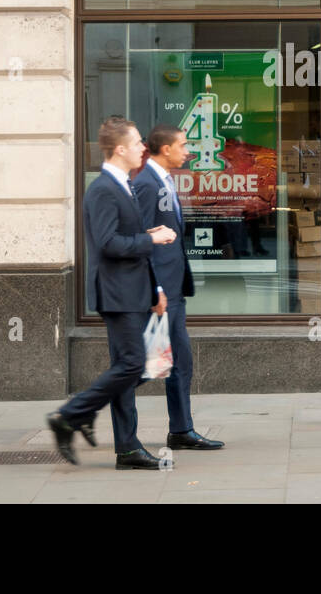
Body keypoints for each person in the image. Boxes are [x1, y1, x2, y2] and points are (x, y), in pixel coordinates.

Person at [47, 117, 177, 469]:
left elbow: (127, 241)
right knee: (132, 365)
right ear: (120, 149)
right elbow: (108, 244)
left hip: (133, 291)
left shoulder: (124, 185)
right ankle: (70, 415)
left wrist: (154, 289)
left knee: (128, 366)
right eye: (137, 144)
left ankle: (126, 447)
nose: (142, 149)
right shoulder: (103, 189)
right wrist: (151, 238)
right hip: (117, 293)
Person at [132, 124, 225, 452]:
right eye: (183, 145)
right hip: (159, 291)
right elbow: (142, 240)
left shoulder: (165, 181)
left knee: (179, 360)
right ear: (165, 149)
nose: (188, 151)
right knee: (144, 365)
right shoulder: (146, 184)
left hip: (173, 287)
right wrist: (154, 287)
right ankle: (92, 402)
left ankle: (181, 430)